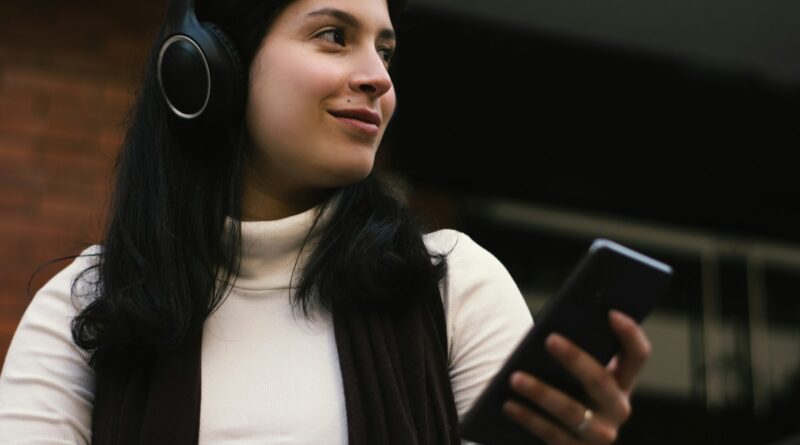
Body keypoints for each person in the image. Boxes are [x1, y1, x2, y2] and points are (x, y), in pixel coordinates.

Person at [0, 0, 651, 443]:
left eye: (385, 50)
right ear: (206, 67)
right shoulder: (83, 306)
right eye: (333, 36)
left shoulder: (455, 285)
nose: (377, 78)